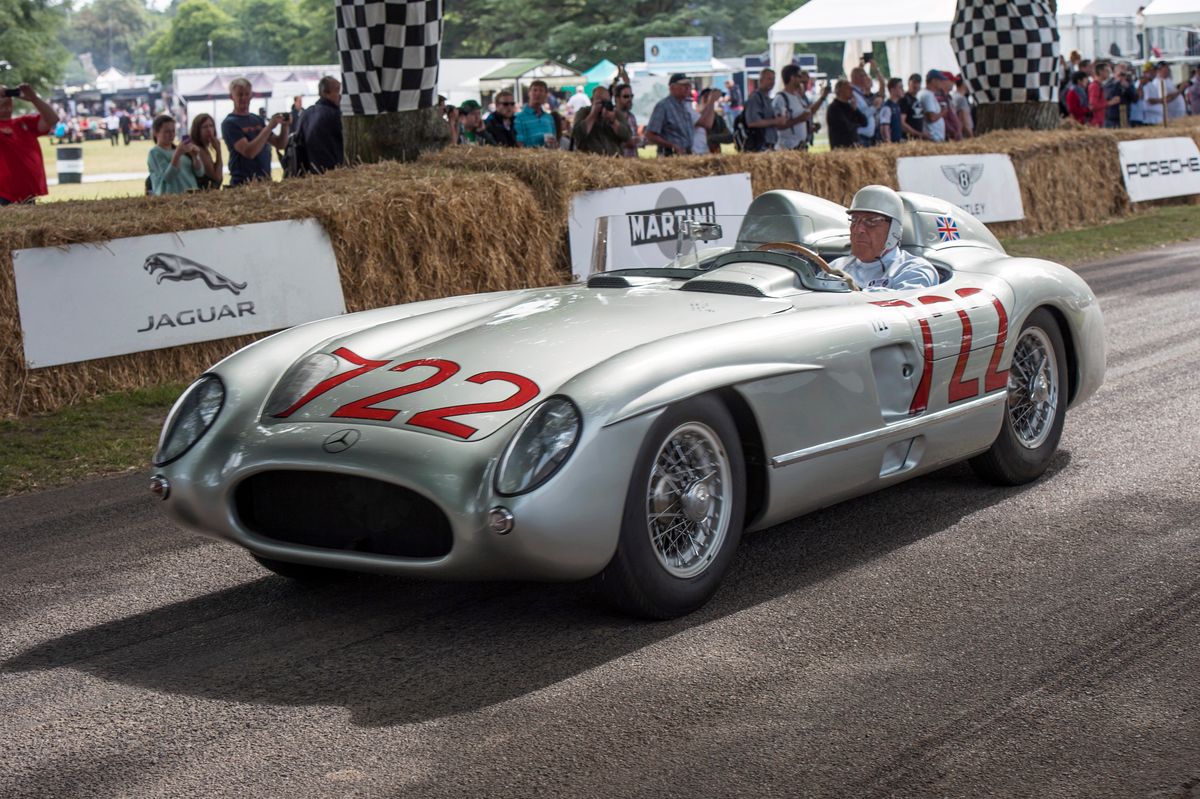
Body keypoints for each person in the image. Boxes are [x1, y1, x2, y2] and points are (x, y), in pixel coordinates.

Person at [830, 185, 938, 292]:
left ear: (894, 230)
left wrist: (854, 292)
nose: (858, 229)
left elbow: (904, 303)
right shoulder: (836, 267)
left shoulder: (915, 269)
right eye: (854, 219)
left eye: (871, 221)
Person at [222, 77, 289, 185]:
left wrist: (285, 127)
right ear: (231, 97)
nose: (244, 98)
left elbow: (280, 144)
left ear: (251, 95)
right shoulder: (229, 123)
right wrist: (269, 127)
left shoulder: (256, 119)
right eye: (240, 94)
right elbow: (249, 152)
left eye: (247, 94)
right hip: (243, 183)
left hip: (264, 181)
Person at [0, 83, 57, 205]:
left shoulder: (23, 123)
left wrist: (34, 99)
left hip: (28, 193)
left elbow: (52, 119)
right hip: (3, 194)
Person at [295, 75, 344, 173]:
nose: (341, 95)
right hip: (333, 171)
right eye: (337, 90)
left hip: (310, 171)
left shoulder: (306, 113)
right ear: (325, 93)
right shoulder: (335, 114)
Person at [775, 65, 828, 151]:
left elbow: (809, 112)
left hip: (801, 146)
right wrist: (799, 119)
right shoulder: (781, 98)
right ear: (792, 78)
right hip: (788, 148)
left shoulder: (797, 97)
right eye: (799, 77)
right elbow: (778, 125)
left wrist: (822, 97)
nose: (801, 81)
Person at [147, 114, 202, 195]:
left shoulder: (181, 150)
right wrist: (178, 154)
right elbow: (168, 177)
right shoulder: (154, 153)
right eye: (167, 131)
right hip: (171, 199)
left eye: (173, 131)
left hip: (191, 195)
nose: (171, 134)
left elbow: (200, 173)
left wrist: (195, 156)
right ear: (156, 132)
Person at [571, 86, 631, 156]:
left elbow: (627, 136)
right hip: (589, 159)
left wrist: (613, 122)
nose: (603, 105)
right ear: (592, 101)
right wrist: (593, 115)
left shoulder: (615, 114)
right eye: (600, 102)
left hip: (613, 160)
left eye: (606, 101)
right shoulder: (584, 112)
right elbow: (577, 134)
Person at [645, 73, 695, 156]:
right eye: (683, 85)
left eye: (688, 85)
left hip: (685, 155)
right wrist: (672, 146)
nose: (687, 88)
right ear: (672, 88)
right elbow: (650, 135)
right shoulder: (663, 106)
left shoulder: (684, 106)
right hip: (670, 156)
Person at [743, 67, 781, 151]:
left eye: (773, 79)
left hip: (770, 144)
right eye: (769, 79)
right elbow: (752, 122)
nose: (772, 82)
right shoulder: (755, 98)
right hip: (760, 145)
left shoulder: (767, 99)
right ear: (761, 80)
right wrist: (775, 121)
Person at [514, 80, 557, 148]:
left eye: (541, 91)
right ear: (529, 93)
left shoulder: (549, 118)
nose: (537, 93)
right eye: (535, 90)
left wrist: (553, 143)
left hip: (549, 157)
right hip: (528, 157)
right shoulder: (518, 118)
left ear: (546, 95)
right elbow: (519, 144)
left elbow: (554, 141)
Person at [850, 65, 885, 146]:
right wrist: (874, 107)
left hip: (869, 136)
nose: (867, 78)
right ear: (857, 78)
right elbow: (859, 116)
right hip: (861, 137)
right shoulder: (853, 94)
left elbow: (883, 86)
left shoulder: (859, 93)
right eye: (864, 75)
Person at [826, 80, 867, 149]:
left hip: (854, 146)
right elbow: (845, 127)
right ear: (840, 91)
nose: (852, 91)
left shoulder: (850, 106)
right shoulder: (834, 108)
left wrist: (855, 110)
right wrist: (856, 125)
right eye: (849, 88)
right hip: (841, 147)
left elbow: (864, 122)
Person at [188, 112, 224, 189]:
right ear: (197, 130)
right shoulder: (199, 149)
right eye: (204, 127)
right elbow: (217, 178)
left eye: (211, 126)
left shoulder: (203, 147)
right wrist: (218, 151)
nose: (209, 130)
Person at [916, 71, 947, 142]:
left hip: (934, 136)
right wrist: (943, 112)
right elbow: (932, 118)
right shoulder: (927, 95)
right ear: (933, 81)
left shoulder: (927, 94)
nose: (942, 83)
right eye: (940, 80)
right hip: (933, 137)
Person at [611, 83, 641, 157]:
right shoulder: (611, 117)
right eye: (626, 96)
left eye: (631, 96)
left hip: (633, 162)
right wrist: (628, 143)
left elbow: (635, 139)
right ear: (617, 99)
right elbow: (609, 142)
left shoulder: (632, 117)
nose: (629, 99)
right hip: (618, 163)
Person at [898, 74, 926, 139]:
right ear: (908, 83)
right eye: (914, 82)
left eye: (918, 83)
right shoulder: (904, 99)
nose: (916, 85)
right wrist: (919, 134)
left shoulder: (916, 99)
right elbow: (902, 123)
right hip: (908, 139)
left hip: (917, 139)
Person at [879, 78, 905, 143]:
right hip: (892, 144)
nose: (903, 90)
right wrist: (889, 143)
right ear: (892, 90)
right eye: (900, 87)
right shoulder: (887, 107)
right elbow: (884, 127)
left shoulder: (897, 106)